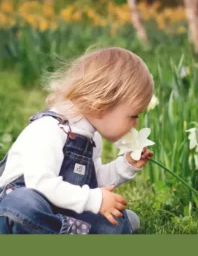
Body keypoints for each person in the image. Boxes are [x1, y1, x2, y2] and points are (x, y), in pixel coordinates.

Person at [0, 47, 154, 234]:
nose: (135, 124)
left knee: (118, 220)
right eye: (133, 116)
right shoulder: (49, 129)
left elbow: (92, 182)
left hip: (60, 209)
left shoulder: (91, 136)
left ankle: (63, 230)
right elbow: (40, 184)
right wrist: (94, 201)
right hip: (23, 207)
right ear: (101, 106)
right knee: (22, 203)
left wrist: (126, 165)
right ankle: (72, 231)